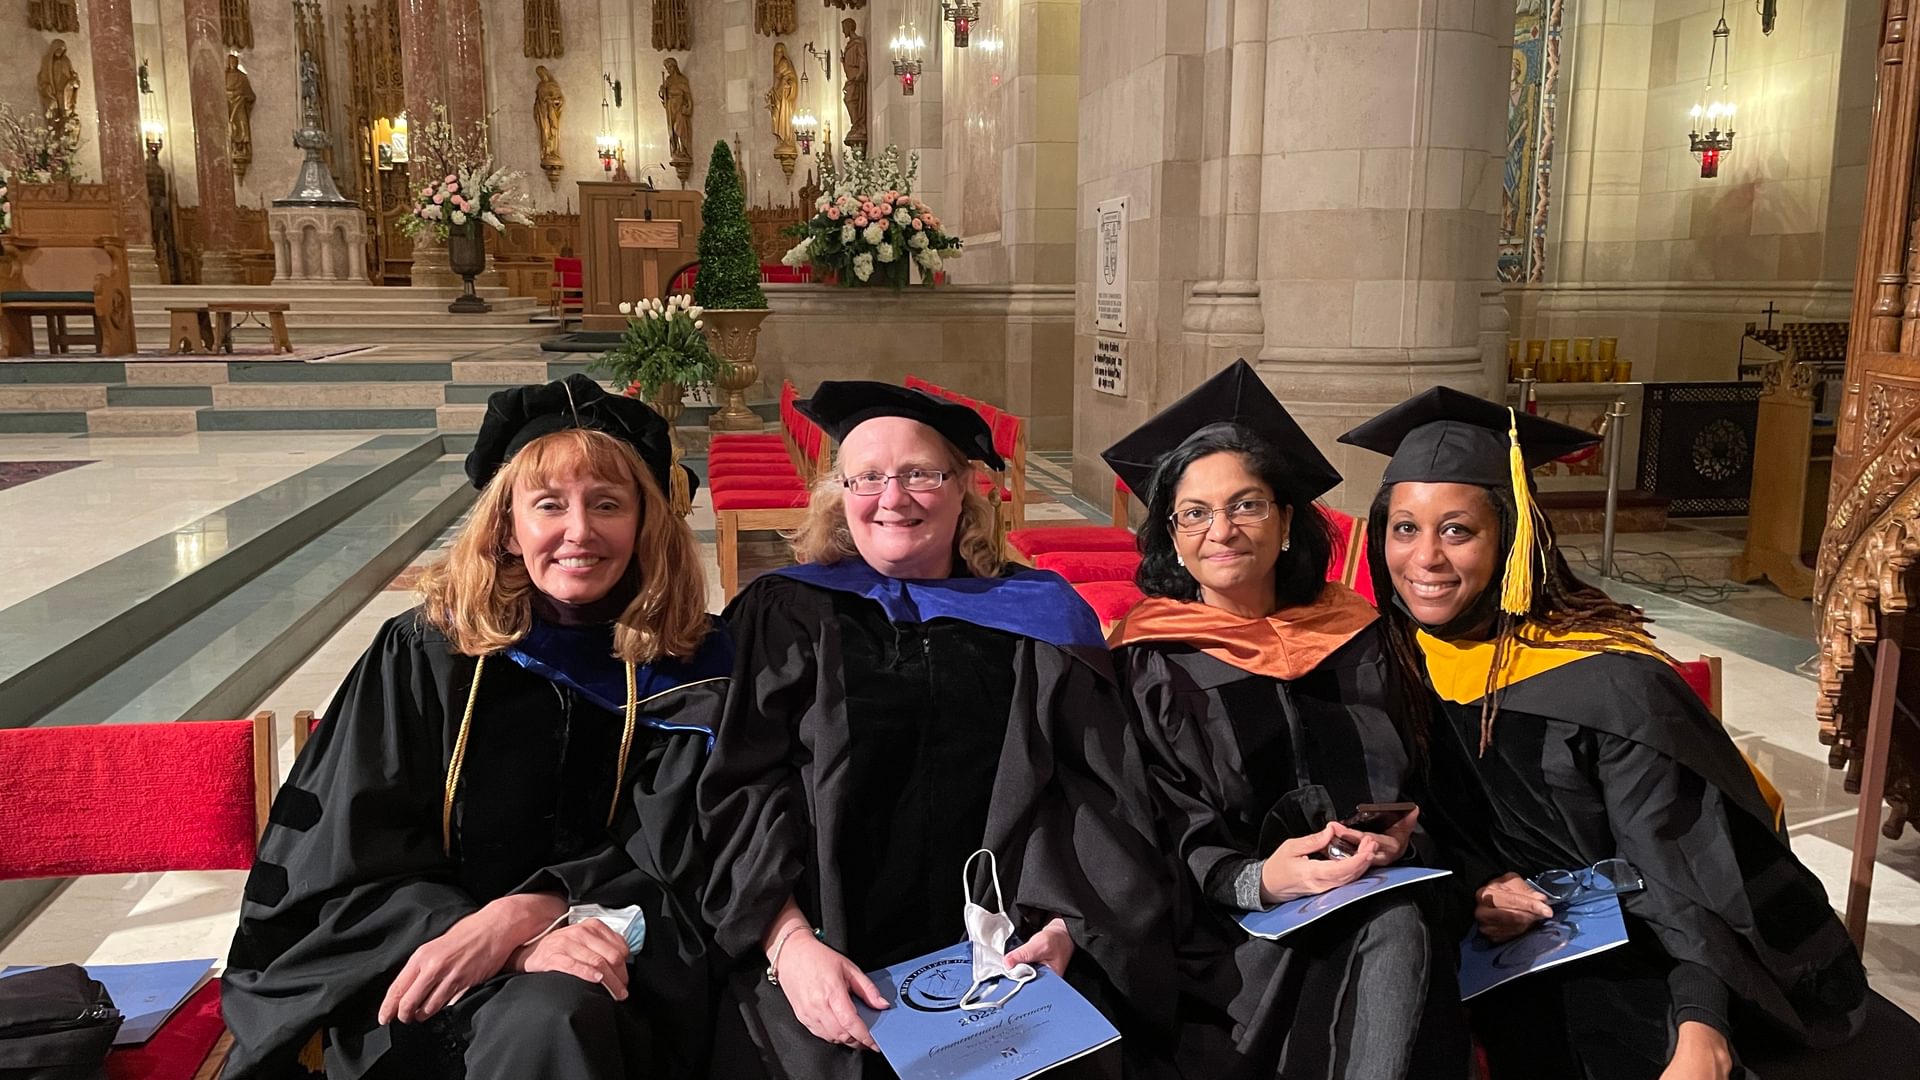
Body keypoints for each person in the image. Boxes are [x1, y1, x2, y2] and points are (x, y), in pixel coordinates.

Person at [1337, 387, 1871, 1080]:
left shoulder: (1609, 681)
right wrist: (1476, 883)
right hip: (1467, 928)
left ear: (1512, 538)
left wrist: (1701, 1022)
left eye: (1458, 530)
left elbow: (1682, 871)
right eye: (1405, 527)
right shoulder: (1386, 661)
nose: (1425, 558)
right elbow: (1402, 816)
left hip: (1633, 940)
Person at [222, 374, 734, 1080]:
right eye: (548, 504)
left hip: (625, 961)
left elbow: (690, 854)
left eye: (607, 504)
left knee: (560, 1013)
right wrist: (492, 940)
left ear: (645, 524)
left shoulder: (695, 668)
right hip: (423, 960)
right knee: (547, 1016)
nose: (579, 531)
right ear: (506, 527)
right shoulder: (426, 655)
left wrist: (532, 911)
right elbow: (344, 858)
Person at [699, 381, 1178, 1079]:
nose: (892, 498)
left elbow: (1095, 791)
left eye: (920, 474)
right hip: (824, 950)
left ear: (964, 489)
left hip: (1008, 951)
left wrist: (1063, 925)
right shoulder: (788, 614)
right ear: (840, 495)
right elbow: (742, 788)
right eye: (867, 477)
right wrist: (788, 944)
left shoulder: (1040, 619)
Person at [1102, 360, 1461, 1080]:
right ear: (1173, 537)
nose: (1222, 530)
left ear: (1288, 520)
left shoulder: (1362, 637)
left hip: (1381, 891)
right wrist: (1260, 879)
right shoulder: (1149, 662)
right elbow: (1151, 828)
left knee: (1397, 927)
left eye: (1247, 505)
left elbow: (1431, 780)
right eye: (1195, 513)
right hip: (1232, 936)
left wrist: (1401, 838)